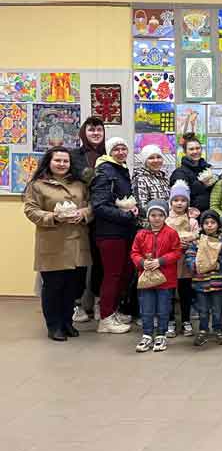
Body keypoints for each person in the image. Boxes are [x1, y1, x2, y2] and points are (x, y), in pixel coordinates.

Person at [23, 147, 92, 341]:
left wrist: (83, 214)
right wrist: (54, 216)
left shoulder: (79, 184)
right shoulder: (38, 185)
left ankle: (67, 322)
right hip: (53, 242)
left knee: (72, 287)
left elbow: (90, 206)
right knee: (53, 287)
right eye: (58, 160)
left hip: (77, 242)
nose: (62, 164)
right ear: (49, 162)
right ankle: (54, 326)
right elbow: (31, 210)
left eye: (65, 161)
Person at [91, 137, 136, 334]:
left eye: (123, 148)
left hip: (122, 231)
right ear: (109, 152)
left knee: (123, 273)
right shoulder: (104, 172)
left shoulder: (120, 169)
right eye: (116, 149)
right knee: (112, 275)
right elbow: (99, 206)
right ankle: (106, 318)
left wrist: (131, 211)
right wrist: (126, 215)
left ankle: (113, 311)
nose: (120, 152)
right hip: (109, 233)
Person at [130, 199, 181, 353]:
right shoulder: (141, 234)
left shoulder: (171, 233)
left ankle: (161, 335)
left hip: (166, 279)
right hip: (146, 279)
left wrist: (161, 261)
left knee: (163, 308)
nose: (156, 218)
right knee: (146, 308)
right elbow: (134, 252)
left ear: (165, 216)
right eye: (153, 215)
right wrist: (142, 262)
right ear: (148, 216)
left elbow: (177, 252)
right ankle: (147, 334)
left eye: (160, 215)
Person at [70, 117, 105, 324]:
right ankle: (76, 304)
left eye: (99, 130)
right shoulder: (74, 156)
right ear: (84, 132)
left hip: (103, 217)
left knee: (100, 261)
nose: (95, 133)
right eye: (91, 130)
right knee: (79, 261)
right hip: (79, 215)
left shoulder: (108, 154)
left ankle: (99, 302)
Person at [186, 210, 222, 347]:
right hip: (201, 283)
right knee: (203, 310)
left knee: (217, 310)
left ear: (218, 225)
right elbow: (189, 257)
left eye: (213, 222)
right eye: (206, 223)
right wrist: (196, 265)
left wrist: (218, 265)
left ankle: (218, 330)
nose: (209, 225)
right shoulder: (196, 242)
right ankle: (203, 330)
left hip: (218, 283)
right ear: (201, 225)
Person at [165, 180, 200, 338]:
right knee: (169, 294)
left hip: (185, 264)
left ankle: (186, 320)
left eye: (183, 200)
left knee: (185, 293)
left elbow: (197, 239)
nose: (179, 203)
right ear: (171, 202)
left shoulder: (192, 221)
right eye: (176, 200)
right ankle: (170, 321)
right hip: (169, 264)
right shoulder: (166, 221)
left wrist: (190, 241)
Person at [170, 133, 215, 214]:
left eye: (198, 148)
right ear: (185, 152)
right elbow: (180, 198)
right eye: (191, 149)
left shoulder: (207, 169)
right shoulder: (179, 173)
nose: (195, 151)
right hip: (191, 216)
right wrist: (201, 183)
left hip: (208, 216)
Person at [132, 144, 170, 227]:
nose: (156, 160)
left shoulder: (164, 177)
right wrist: (160, 217)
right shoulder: (140, 178)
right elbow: (142, 207)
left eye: (159, 157)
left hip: (166, 224)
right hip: (149, 226)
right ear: (145, 161)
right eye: (151, 158)